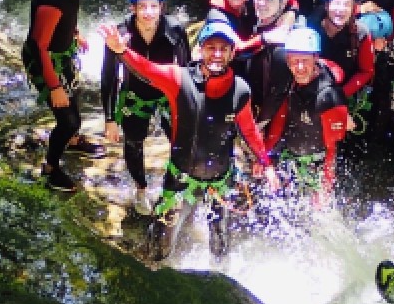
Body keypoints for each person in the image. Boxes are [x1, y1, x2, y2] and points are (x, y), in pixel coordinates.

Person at [99, 20, 279, 259]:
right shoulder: (179, 80)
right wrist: (121, 51)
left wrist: (266, 163)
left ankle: (219, 277)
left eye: (223, 49)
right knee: (160, 246)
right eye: (211, 48)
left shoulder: (240, 90)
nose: (217, 54)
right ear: (200, 50)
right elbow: (147, 69)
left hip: (220, 181)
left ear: (232, 53)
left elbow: (249, 131)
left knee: (220, 242)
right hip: (181, 178)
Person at [100, 0, 191, 214]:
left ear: (162, 6)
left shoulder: (174, 30)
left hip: (165, 92)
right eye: (142, 7)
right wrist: (110, 119)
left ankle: (177, 185)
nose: (148, 12)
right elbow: (108, 76)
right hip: (135, 94)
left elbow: (186, 69)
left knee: (179, 140)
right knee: (133, 142)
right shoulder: (120, 34)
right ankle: (141, 189)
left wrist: (189, 108)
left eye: (154, 6)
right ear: (133, 8)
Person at [22, 0, 105, 192]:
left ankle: (72, 140)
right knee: (67, 118)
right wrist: (54, 86)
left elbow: (64, 20)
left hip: (62, 51)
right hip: (45, 59)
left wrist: (76, 35)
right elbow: (39, 44)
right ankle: (50, 169)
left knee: (75, 94)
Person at [263, 27, 349, 205]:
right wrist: (265, 160)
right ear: (287, 61)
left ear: (316, 59)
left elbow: (332, 147)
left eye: (305, 61)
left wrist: (325, 186)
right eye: (294, 61)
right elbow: (279, 121)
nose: (300, 67)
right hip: (290, 155)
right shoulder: (290, 81)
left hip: (317, 163)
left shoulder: (329, 97)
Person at [311, 0, 376, 134]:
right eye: (336, 3)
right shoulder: (311, 27)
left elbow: (366, 71)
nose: (341, 9)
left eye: (347, 4)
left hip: (344, 91)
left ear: (354, 8)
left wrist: (339, 96)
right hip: (312, 90)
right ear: (327, 6)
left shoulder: (360, 33)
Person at [241, 0, 300, 125]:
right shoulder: (256, 17)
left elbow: (276, 95)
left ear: (282, 3)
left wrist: (258, 125)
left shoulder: (282, 48)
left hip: (265, 111)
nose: (261, 3)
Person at [206, 0, 265, 74]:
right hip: (228, 71)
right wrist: (265, 38)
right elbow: (237, 47)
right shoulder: (216, 16)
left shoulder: (250, 4)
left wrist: (291, 13)